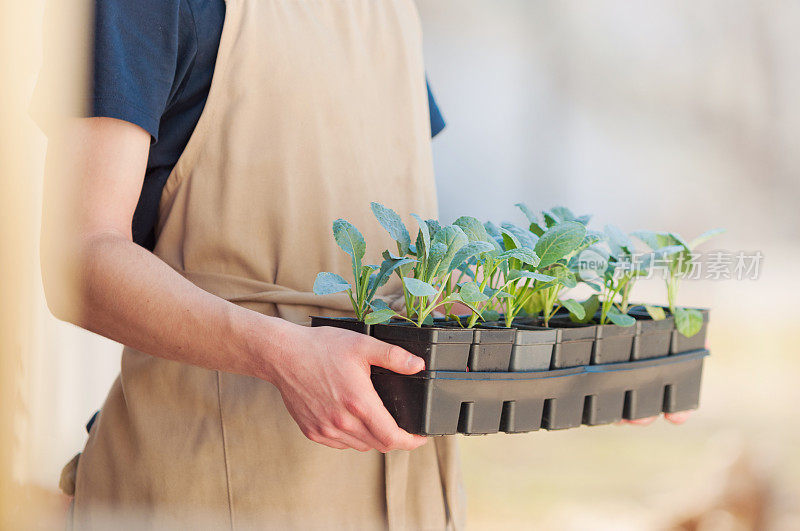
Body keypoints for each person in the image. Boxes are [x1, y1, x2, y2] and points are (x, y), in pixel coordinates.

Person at [39, 0, 689, 528]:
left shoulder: (389, 12)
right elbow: (79, 259)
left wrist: (589, 357)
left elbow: (415, 276)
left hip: (410, 499)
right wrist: (280, 351)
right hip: (212, 487)